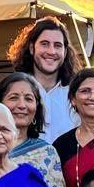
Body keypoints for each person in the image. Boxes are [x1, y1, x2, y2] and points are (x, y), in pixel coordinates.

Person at [10, 15, 78, 143]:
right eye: (45, 44)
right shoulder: (8, 91)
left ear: (65, 52)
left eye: (57, 45)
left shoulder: (76, 95)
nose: (51, 51)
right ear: (32, 48)